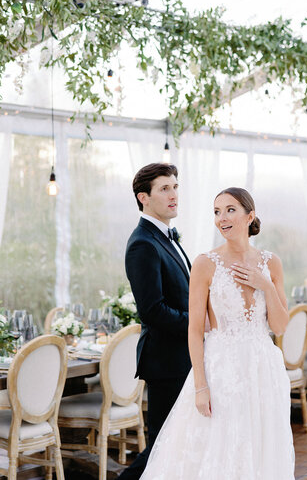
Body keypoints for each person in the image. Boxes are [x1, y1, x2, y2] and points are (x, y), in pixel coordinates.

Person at [139, 186, 295, 479]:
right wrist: (200, 386)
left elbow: (280, 326)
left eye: (230, 210)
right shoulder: (205, 264)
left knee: (262, 448)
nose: (222, 218)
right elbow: (195, 330)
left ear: (250, 216)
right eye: (216, 211)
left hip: (264, 370)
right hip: (223, 369)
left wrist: (267, 285)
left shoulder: (271, 263)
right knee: (222, 447)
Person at [118, 163, 192, 480]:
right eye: (164, 188)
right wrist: (197, 323)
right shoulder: (142, 244)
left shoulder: (166, 236)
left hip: (184, 357)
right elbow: (153, 311)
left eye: (175, 187)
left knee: (177, 443)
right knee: (162, 445)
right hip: (166, 361)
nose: (173, 194)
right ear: (143, 197)